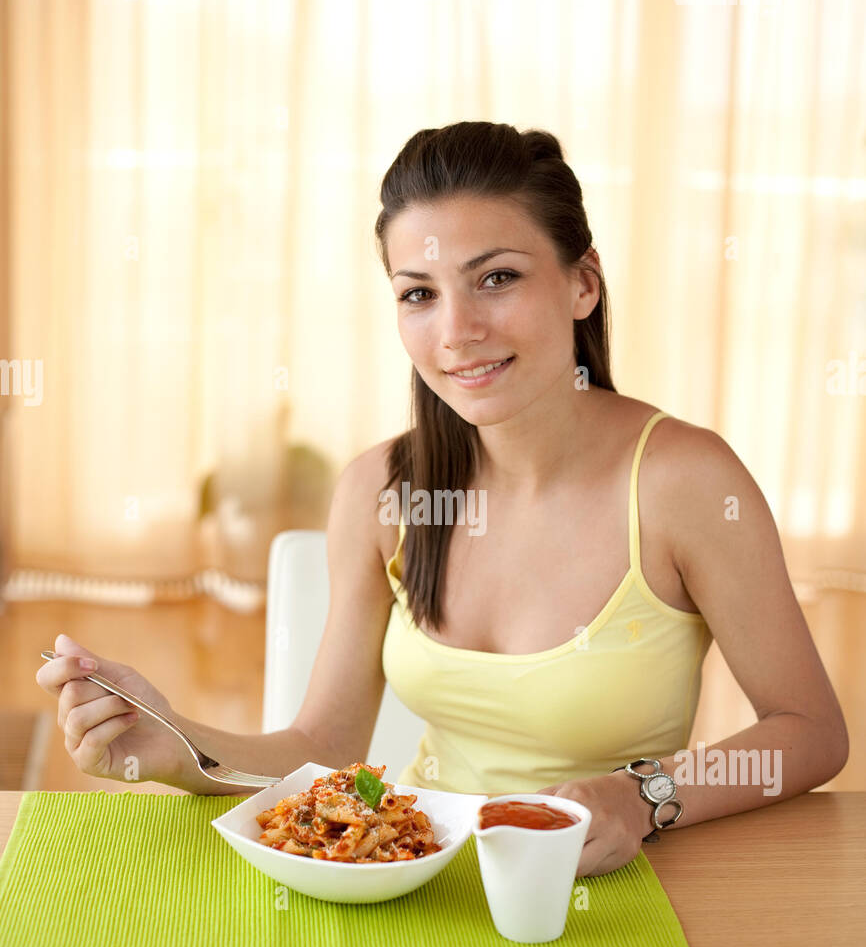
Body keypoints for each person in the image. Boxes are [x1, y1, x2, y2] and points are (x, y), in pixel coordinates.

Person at [36, 121, 849, 877]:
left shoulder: (687, 484)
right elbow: (322, 748)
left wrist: (645, 797)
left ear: (583, 285)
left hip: (617, 884)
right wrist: (177, 747)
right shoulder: (381, 494)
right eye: (418, 293)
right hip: (420, 877)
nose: (456, 331)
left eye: (496, 278)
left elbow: (809, 732)